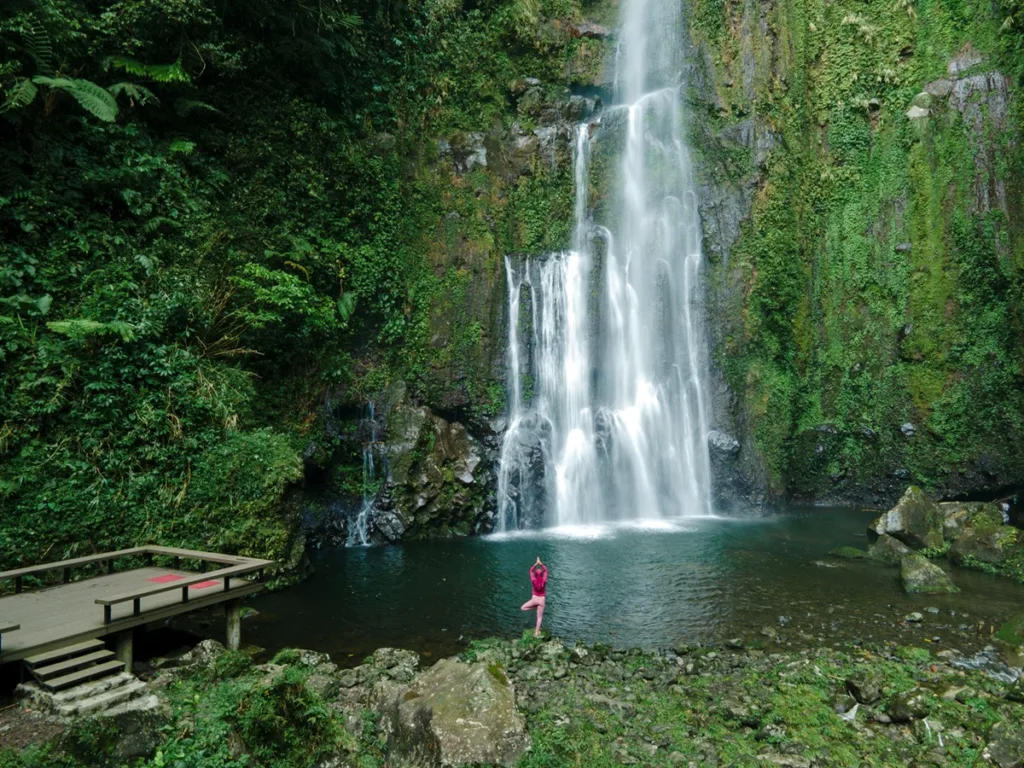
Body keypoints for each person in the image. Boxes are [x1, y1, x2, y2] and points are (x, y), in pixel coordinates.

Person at [521, 557, 548, 637]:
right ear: (542, 575)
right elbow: (546, 571)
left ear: (536, 575)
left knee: (523, 608)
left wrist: (536, 564)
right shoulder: (544, 580)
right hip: (542, 600)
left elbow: (531, 571)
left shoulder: (533, 580)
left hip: (534, 599)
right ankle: (536, 632)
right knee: (539, 617)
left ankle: (535, 606)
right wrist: (541, 564)